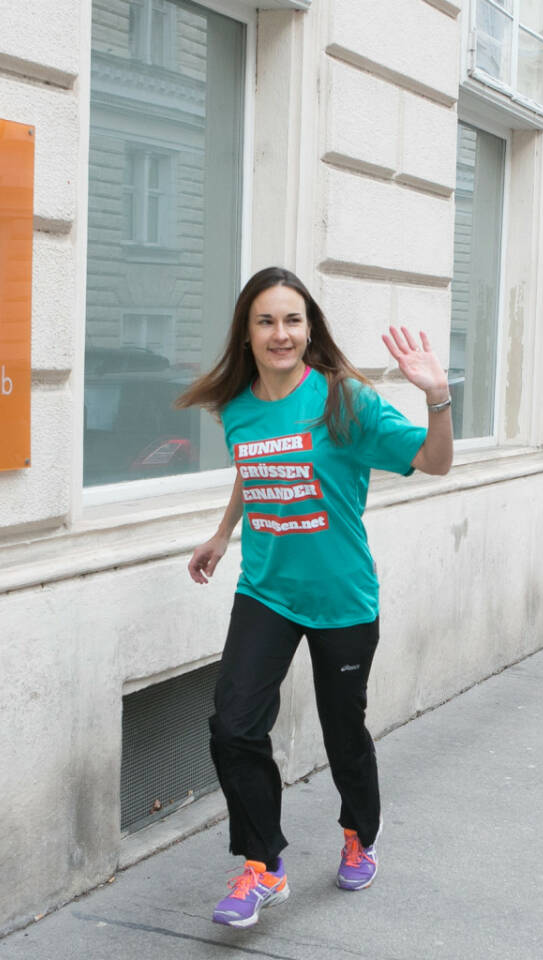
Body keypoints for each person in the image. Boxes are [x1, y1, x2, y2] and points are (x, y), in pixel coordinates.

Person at [178, 266, 452, 929]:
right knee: (233, 727)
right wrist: (222, 534)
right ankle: (263, 865)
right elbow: (258, 467)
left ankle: (360, 832)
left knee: (342, 732)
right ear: (247, 332)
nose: (281, 333)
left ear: (310, 329)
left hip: (342, 599)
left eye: (292, 320)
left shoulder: (343, 402)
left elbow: (436, 462)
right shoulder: (239, 405)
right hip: (266, 589)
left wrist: (438, 398)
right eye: (266, 321)